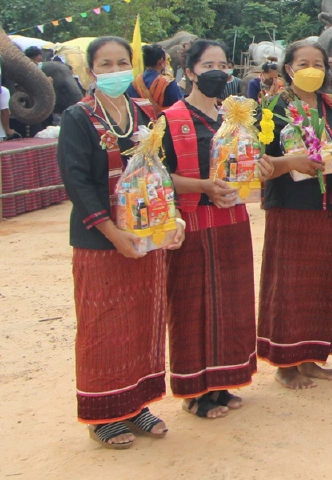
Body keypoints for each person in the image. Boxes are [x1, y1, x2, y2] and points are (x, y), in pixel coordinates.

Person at [57, 36, 184, 449]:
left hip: (148, 233)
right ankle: (104, 413)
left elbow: (163, 170)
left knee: (143, 319)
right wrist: (113, 233)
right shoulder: (79, 116)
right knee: (103, 323)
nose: (114, 70)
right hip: (101, 239)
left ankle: (137, 404)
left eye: (121, 62)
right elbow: (76, 180)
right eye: (105, 64)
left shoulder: (146, 112)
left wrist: (174, 217)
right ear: (91, 71)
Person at [161, 40, 268, 418]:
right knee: (193, 304)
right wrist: (205, 186)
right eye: (209, 64)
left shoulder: (233, 116)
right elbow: (161, 177)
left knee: (231, 302)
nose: (218, 71)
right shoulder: (171, 118)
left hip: (232, 219)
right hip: (192, 222)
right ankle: (196, 392)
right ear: (189, 72)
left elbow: (245, 160)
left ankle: (222, 383)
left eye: (223, 64)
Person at [256, 40, 332, 390]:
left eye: (319, 63)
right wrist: (290, 163)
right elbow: (260, 164)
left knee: (324, 284)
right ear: (289, 68)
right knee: (291, 286)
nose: (313, 69)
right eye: (304, 62)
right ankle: (286, 363)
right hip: (293, 209)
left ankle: (311, 357)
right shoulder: (274, 107)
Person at [132, 44, 184, 116]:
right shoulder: (168, 83)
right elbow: (179, 106)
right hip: (164, 123)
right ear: (161, 61)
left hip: (141, 123)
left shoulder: (134, 82)